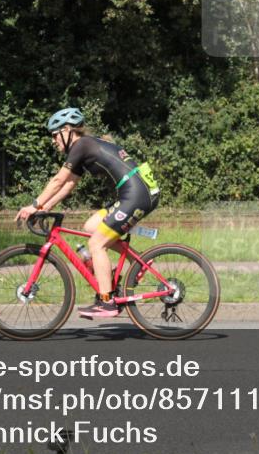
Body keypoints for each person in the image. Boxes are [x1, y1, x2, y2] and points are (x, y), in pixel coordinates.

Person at [15, 107, 160, 319]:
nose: (54, 141)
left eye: (55, 135)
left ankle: (107, 301)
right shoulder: (85, 147)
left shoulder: (81, 144)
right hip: (136, 192)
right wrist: (44, 208)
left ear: (67, 130)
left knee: (96, 244)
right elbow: (67, 186)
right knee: (91, 226)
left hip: (137, 194)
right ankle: (137, 263)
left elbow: (57, 180)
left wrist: (33, 205)